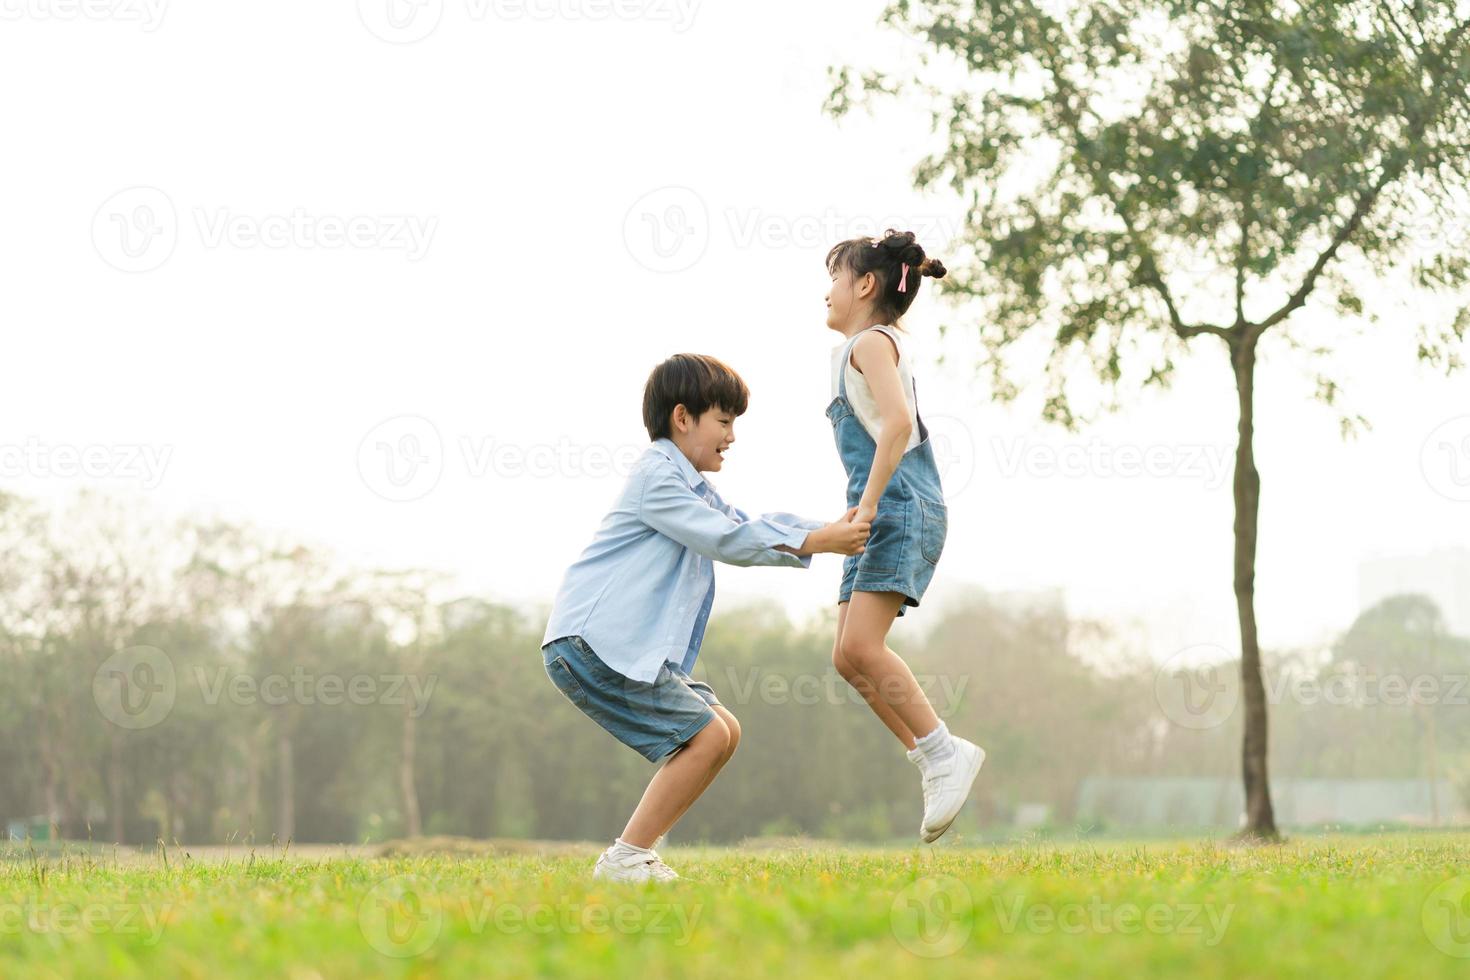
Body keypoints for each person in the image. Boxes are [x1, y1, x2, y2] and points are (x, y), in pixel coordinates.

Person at [541, 353, 870, 882]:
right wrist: (820, 541)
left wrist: (825, 529)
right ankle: (625, 856)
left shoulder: (689, 484)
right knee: (708, 737)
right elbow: (726, 539)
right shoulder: (657, 478)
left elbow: (743, 522)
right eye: (724, 421)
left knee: (724, 731)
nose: (732, 436)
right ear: (682, 417)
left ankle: (634, 853)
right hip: (594, 643)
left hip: (613, 646)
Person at [823, 228, 984, 843]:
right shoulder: (861, 350)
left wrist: (864, 508)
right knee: (845, 655)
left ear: (865, 285)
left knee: (863, 647)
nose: (826, 294)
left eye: (834, 279)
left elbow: (895, 425)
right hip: (869, 514)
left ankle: (946, 752)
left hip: (895, 510)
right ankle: (932, 757)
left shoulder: (869, 343)